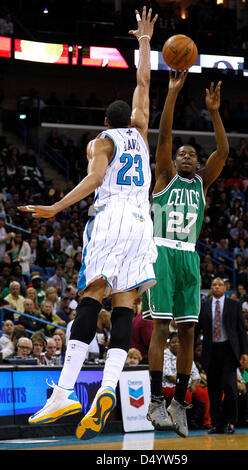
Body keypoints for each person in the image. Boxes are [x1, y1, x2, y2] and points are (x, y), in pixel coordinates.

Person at [18, 7, 158, 441]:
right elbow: (143, 83)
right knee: (123, 307)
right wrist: (145, 42)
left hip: (113, 214)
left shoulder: (103, 141)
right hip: (142, 222)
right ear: (131, 119)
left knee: (90, 297)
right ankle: (108, 388)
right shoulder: (140, 132)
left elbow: (96, 179)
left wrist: (57, 207)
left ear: (104, 123)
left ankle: (63, 391)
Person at [144, 72, 229, 438]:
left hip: (189, 257)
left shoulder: (202, 183)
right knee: (162, 328)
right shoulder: (164, 176)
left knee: (189, 331)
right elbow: (164, 135)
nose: (187, 157)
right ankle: (153, 400)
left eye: (192, 154)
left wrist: (214, 114)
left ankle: (179, 401)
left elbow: (223, 152)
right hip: (162, 252)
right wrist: (173, 95)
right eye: (183, 153)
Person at [195, 278, 248, 434]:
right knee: (213, 390)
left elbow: (241, 331)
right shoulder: (203, 306)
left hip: (229, 351)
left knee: (230, 387)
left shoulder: (235, 305)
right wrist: (191, 350)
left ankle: (231, 422)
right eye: (213, 285)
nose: (216, 287)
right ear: (211, 288)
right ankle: (217, 424)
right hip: (211, 350)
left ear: (225, 287)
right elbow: (198, 330)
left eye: (219, 284)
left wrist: (244, 352)